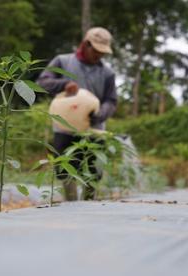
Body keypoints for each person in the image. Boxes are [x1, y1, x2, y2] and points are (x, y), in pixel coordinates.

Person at [37, 27, 117, 201]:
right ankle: (71, 206)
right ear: (86, 45)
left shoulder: (108, 73)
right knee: (65, 169)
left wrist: (101, 113)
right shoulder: (63, 61)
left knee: (93, 171)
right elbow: (43, 82)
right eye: (96, 51)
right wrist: (63, 84)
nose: (99, 56)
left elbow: (111, 101)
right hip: (64, 127)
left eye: (102, 53)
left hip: (93, 128)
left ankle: (89, 203)